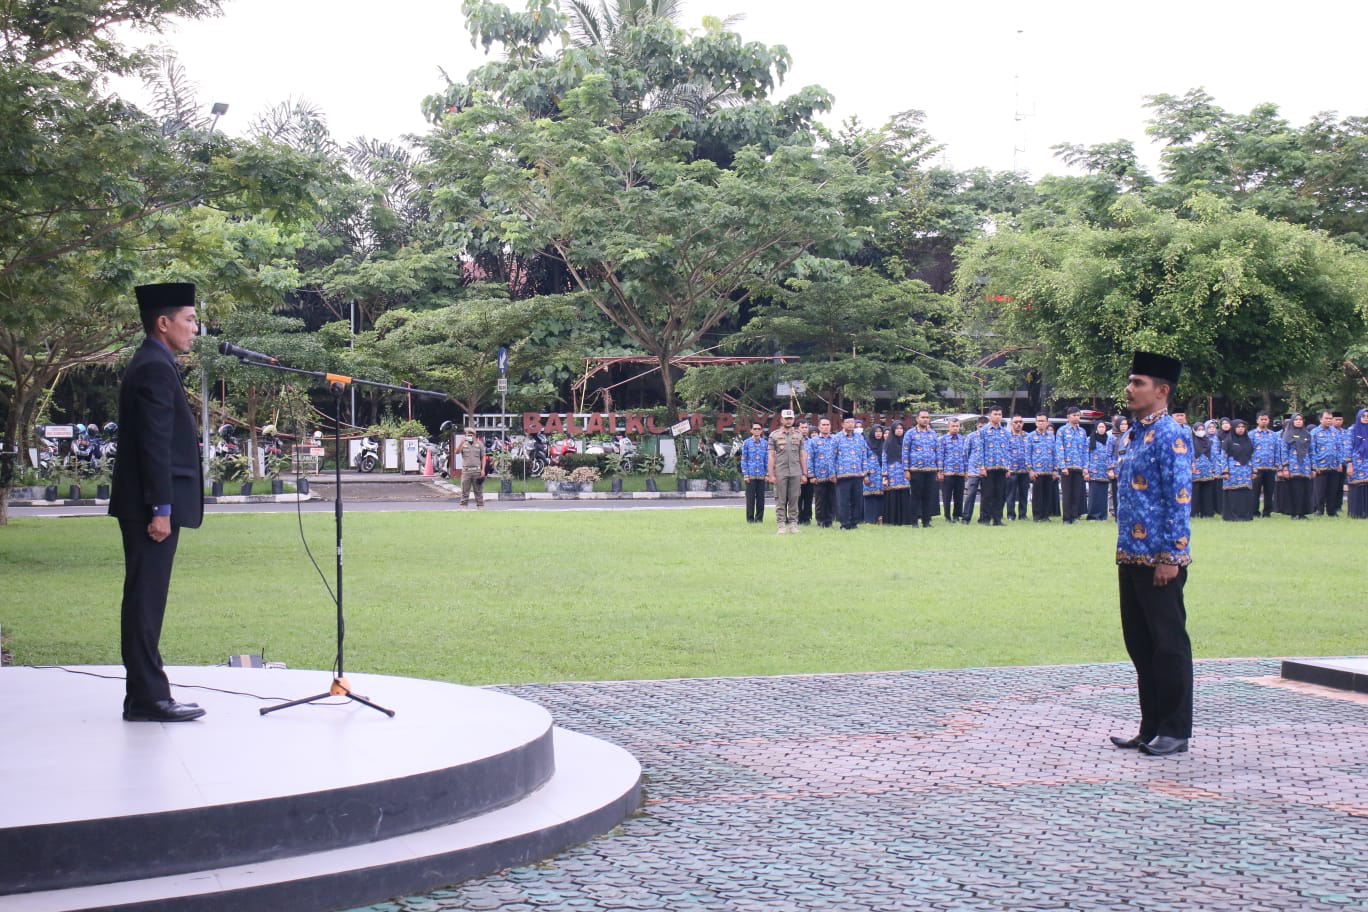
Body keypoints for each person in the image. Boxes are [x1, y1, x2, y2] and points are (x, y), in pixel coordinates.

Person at [108, 283, 206, 723]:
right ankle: (148, 696)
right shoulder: (153, 367)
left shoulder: (156, 362)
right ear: (163, 323)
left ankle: (143, 694)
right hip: (150, 508)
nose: (195, 329)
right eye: (188, 319)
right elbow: (154, 444)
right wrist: (160, 509)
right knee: (146, 601)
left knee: (145, 598)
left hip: (148, 504)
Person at [1112, 351, 1192, 757]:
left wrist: (1171, 556)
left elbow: (1178, 500)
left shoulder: (1171, 434)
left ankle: (1175, 729)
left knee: (1169, 643)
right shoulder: (1132, 433)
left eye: (1138, 382)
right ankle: (1150, 727)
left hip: (1159, 558)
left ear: (1162, 391)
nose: (1129, 388)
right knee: (1140, 644)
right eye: (1130, 381)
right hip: (1129, 555)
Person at [766, 409, 807, 535]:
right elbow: (771, 456)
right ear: (781, 419)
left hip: (795, 471)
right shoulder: (774, 435)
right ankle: (781, 525)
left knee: (794, 499)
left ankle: (794, 524)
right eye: (786, 418)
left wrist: (804, 473)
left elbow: (802, 455)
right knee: (780, 499)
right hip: (780, 471)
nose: (788, 420)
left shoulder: (799, 435)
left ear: (793, 420)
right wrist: (771, 474)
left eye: (791, 418)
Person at [833, 416, 871, 530]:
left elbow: (864, 456)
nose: (850, 424)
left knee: (857, 500)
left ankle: (854, 523)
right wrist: (832, 473)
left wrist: (865, 473)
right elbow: (831, 457)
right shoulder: (837, 438)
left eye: (852, 422)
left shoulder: (860, 438)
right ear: (842, 424)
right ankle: (845, 523)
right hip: (842, 474)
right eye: (848, 422)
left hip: (858, 474)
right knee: (843, 500)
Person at [902, 409, 939, 527]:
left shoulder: (933, 433)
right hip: (915, 470)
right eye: (923, 417)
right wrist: (906, 469)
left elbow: (937, 451)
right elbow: (905, 451)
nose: (925, 419)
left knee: (928, 496)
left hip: (931, 469)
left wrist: (939, 469)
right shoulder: (910, 433)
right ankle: (914, 521)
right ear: (917, 419)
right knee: (916, 496)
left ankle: (926, 521)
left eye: (927, 417)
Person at [977, 406, 1010, 525]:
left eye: (1000, 414)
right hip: (988, 468)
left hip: (1001, 467)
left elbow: (1008, 451)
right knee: (987, 494)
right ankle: (985, 518)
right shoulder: (983, 431)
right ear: (990, 415)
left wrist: (1008, 467)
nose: (998, 416)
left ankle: (997, 519)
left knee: (1000, 494)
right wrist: (981, 467)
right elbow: (979, 450)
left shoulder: (1005, 432)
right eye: (995, 414)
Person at [1055, 407, 1088, 523]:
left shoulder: (1082, 432)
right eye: (1074, 415)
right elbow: (1059, 449)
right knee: (1067, 493)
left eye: (1078, 415)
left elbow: (1085, 450)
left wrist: (1085, 467)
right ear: (1068, 416)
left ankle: (1074, 516)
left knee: (1076, 493)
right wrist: (1062, 466)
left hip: (1078, 466)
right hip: (1067, 467)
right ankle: (1066, 518)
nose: (1076, 417)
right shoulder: (1062, 430)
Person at [1220, 420, 1256, 521]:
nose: (1241, 429)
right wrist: (1225, 471)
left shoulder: (1248, 441)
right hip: (1233, 471)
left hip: (1246, 471)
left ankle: (1245, 516)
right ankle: (1232, 516)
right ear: (1233, 428)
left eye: (1243, 427)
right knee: (1233, 494)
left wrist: (1254, 471)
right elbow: (1223, 457)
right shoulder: (1228, 440)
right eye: (1238, 427)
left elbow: (1253, 456)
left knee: (1245, 494)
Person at [1249, 412, 1283, 517]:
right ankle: (1254, 511)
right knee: (1255, 491)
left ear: (1268, 421)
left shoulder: (1274, 435)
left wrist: (1278, 465)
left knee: (1269, 491)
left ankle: (1267, 512)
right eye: (1262, 419)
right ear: (1257, 421)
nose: (1264, 421)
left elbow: (1277, 450)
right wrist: (1250, 466)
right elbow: (1248, 451)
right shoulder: (1251, 434)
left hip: (1270, 467)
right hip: (1256, 468)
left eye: (1266, 419)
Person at [805, 418, 838, 528]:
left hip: (833, 476)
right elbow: (809, 459)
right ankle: (820, 521)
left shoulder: (835, 439)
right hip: (818, 476)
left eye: (828, 424)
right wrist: (811, 475)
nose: (826, 427)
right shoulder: (813, 441)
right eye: (823, 425)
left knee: (831, 499)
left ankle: (829, 521)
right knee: (820, 500)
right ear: (819, 427)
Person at [1310, 410, 1344, 516]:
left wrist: (1340, 463)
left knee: (1333, 491)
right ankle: (1319, 510)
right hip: (1321, 466)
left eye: (1330, 418)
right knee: (1320, 491)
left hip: (1333, 466)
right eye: (1326, 418)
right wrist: (1314, 466)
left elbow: (1340, 449)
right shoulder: (1314, 432)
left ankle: (1331, 511)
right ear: (1321, 419)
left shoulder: (1335, 432)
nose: (1329, 420)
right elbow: (1312, 450)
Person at [1281, 413, 1313, 520]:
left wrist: (1313, 467)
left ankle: (1302, 513)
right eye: (1296, 420)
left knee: (1305, 490)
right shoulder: (1287, 434)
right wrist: (1285, 467)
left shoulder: (1307, 434)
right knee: (1294, 490)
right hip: (1293, 466)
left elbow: (1311, 451)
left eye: (1300, 419)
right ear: (1292, 422)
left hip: (1306, 466)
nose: (1299, 421)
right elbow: (1284, 451)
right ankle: (1294, 513)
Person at [1027, 414, 1057, 522]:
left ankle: (1045, 515)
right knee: (1037, 494)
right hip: (1037, 471)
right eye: (1039, 421)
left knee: (1047, 494)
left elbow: (1055, 453)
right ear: (1036, 422)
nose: (1041, 423)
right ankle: (1037, 515)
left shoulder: (1051, 436)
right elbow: (1028, 454)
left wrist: (1055, 470)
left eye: (1043, 421)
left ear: (1047, 422)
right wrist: (1030, 470)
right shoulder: (1030, 436)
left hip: (1049, 470)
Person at [936, 417, 968, 523]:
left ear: (960, 427)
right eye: (953, 426)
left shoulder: (964, 439)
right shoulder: (942, 440)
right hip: (947, 472)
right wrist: (940, 471)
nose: (955, 428)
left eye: (957, 426)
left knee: (959, 495)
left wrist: (966, 471)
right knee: (947, 495)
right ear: (948, 427)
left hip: (960, 472)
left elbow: (965, 456)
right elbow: (940, 456)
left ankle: (957, 515)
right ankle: (947, 516)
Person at [1191, 420, 1223, 518]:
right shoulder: (1191, 441)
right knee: (1195, 492)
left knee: (1208, 492)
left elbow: (1213, 455)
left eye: (1202, 429)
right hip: (1196, 470)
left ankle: (1207, 512)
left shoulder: (1208, 441)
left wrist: (1214, 468)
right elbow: (1190, 455)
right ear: (1194, 430)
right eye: (1198, 429)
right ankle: (1194, 512)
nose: (1201, 431)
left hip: (1208, 469)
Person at [882, 421, 912, 525]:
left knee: (904, 496)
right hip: (892, 474)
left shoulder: (906, 442)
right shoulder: (888, 443)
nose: (899, 430)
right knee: (892, 496)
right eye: (897, 428)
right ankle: (892, 520)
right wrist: (884, 475)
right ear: (893, 430)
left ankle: (905, 520)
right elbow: (884, 459)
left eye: (901, 428)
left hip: (904, 474)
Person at [1085, 420, 1114, 520]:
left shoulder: (1110, 439)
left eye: (1103, 427)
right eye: (1100, 427)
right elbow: (1086, 455)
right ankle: (1093, 515)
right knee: (1094, 494)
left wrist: (1111, 468)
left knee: (1103, 494)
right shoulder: (1090, 439)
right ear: (1096, 428)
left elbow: (1111, 455)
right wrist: (1086, 470)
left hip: (1105, 471)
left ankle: (1102, 515)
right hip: (1094, 470)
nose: (1102, 429)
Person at [740, 421, 768, 523]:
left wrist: (767, 473)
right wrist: (745, 474)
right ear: (751, 430)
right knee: (750, 500)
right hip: (750, 475)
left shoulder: (765, 443)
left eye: (759, 429)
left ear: (761, 430)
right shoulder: (746, 443)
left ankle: (759, 519)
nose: (757, 431)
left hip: (761, 475)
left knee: (761, 500)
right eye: (755, 429)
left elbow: (767, 459)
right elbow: (744, 459)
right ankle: (750, 519)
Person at [453, 427, 487, 508]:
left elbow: (483, 457)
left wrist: (483, 470)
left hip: (477, 471)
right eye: (468, 435)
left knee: (478, 491)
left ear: (474, 436)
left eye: (471, 435)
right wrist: (461, 442)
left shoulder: (479, 444)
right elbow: (457, 452)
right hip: (466, 471)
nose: (470, 437)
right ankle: (464, 507)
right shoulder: (463, 444)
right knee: (465, 491)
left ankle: (480, 507)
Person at [1006, 415, 1031, 520]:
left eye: (1020, 422)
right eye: (1015, 422)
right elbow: (1004, 453)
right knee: (1010, 494)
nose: (1018, 424)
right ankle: (1011, 514)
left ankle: (1023, 514)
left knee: (1024, 494)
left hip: (1025, 470)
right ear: (1011, 424)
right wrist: (1006, 468)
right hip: (1011, 470)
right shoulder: (1006, 436)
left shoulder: (1028, 437)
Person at [1347, 408, 1368, 519]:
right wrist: (1349, 464)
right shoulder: (1352, 430)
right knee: (1357, 487)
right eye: (1363, 416)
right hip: (1356, 464)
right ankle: (1356, 513)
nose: (1365, 418)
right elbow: (1348, 448)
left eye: (1367, 416)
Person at [961, 420, 983, 524]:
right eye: (980, 426)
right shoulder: (971, 436)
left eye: (983, 426)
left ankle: (984, 518)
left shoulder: (990, 437)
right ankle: (966, 518)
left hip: (986, 471)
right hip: (973, 470)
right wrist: (967, 469)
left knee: (987, 496)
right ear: (977, 426)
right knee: (971, 494)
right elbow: (966, 453)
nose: (981, 428)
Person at [863, 426, 886, 524]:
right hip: (871, 475)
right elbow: (863, 459)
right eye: (876, 431)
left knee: (881, 497)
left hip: (882, 475)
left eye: (880, 431)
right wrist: (865, 474)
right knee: (869, 497)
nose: (878, 433)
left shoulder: (885, 444)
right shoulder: (867, 444)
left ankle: (880, 518)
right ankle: (869, 519)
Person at [796, 420, 814, 525]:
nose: (804, 430)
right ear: (798, 429)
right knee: (797, 497)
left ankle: (807, 517)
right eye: (802, 427)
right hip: (797, 473)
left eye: (806, 427)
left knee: (808, 497)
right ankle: (798, 517)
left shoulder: (812, 442)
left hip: (810, 474)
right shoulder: (794, 441)